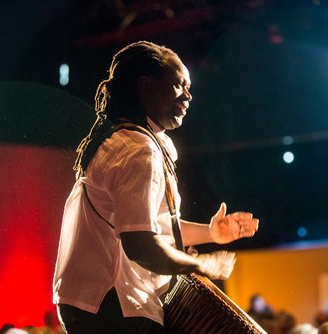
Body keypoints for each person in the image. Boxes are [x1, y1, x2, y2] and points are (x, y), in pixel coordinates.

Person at [52, 41, 260, 333]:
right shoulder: (139, 149)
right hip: (115, 304)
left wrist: (211, 233)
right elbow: (142, 245)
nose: (188, 96)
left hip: (97, 303)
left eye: (188, 87)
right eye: (178, 85)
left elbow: (145, 227)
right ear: (145, 87)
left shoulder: (129, 140)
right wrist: (201, 265)